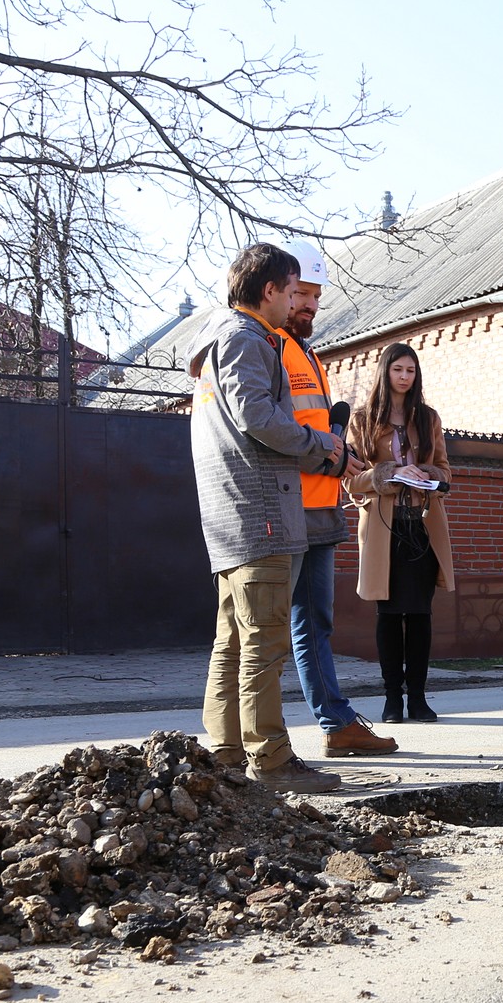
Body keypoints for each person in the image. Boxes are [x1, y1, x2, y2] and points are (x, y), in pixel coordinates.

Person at [188, 242, 344, 794]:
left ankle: (226, 755)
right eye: (293, 289)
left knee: (232, 641)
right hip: (262, 512)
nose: (297, 302)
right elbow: (258, 415)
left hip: (235, 517)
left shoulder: (216, 344)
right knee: (266, 642)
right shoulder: (247, 338)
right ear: (271, 289)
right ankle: (272, 760)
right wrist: (318, 444)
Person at [275, 238, 396, 758]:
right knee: (265, 629)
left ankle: (336, 723)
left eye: (316, 296)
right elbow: (275, 430)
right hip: (283, 509)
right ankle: (252, 741)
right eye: (301, 293)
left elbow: (313, 427)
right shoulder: (264, 346)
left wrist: (339, 451)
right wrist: (331, 454)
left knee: (314, 622)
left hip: (320, 506)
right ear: (275, 290)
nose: (310, 305)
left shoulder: (308, 353)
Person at [345, 343, 455, 725]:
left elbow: (445, 472)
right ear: (386, 372)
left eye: (411, 370)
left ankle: (419, 699)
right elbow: (351, 480)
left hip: (422, 522)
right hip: (383, 527)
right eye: (398, 370)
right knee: (388, 614)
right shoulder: (363, 419)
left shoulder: (428, 418)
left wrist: (425, 474)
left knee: (420, 613)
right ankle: (393, 698)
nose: (405, 376)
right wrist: (389, 473)